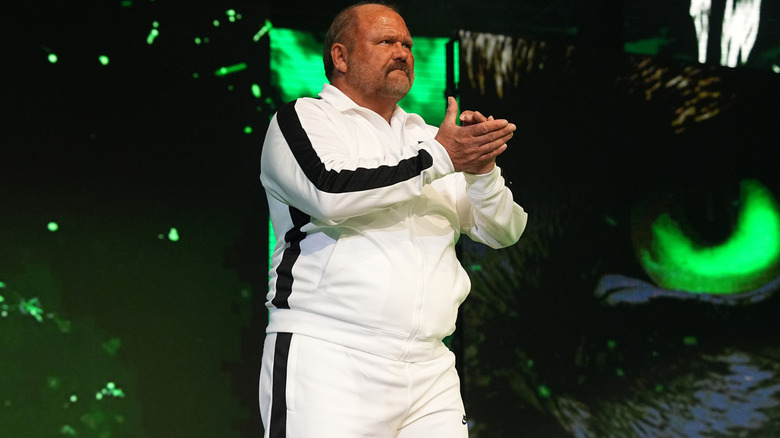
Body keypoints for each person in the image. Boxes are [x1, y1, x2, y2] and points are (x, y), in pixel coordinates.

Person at [258, 2, 528, 437]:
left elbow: (504, 231)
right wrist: (442, 158)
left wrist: (482, 173)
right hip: (331, 356)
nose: (402, 52)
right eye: (386, 42)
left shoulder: (427, 137)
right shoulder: (304, 119)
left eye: (407, 44)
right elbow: (328, 192)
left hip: (431, 368)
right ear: (340, 57)